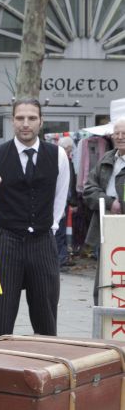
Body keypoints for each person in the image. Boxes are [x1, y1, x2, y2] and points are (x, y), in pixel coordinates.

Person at [0, 98, 69, 342]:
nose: (25, 123)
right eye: (20, 118)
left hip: (43, 241)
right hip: (5, 241)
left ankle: (47, 364)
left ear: (41, 121)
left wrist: (49, 228)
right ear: (12, 121)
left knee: (46, 318)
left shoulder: (58, 156)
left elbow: (59, 199)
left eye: (31, 118)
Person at [83, 116, 125, 303]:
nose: (120, 137)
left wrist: (121, 203)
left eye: (124, 133)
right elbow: (89, 189)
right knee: (105, 276)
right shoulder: (106, 159)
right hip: (105, 227)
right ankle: (103, 312)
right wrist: (110, 202)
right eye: (117, 133)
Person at [55, 136, 78, 268]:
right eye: (69, 148)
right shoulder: (64, 161)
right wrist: (73, 202)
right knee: (60, 230)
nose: (70, 150)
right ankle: (59, 259)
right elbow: (70, 184)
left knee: (60, 230)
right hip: (62, 200)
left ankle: (61, 257)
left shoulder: (60, 160)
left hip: (62, 200)